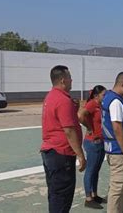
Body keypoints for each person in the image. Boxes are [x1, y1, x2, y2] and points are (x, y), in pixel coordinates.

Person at [40, 65, 86, 213]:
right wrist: (80, 154)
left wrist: (74, 109)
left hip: (51, 152)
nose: (71, 80)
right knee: (62, 197)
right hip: (61, 154)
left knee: (55, 194)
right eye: (69, 77)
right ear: (62, 80)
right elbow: (69, 130)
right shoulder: (63, 100)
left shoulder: (51, 96)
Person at [101, 72, 123, 213]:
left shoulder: (112, 97)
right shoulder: (116, 102)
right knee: (118, 188)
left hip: (117, 151)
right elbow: (117, 127)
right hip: (119, 152)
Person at [78, 85, 107, 209]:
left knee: (96, 169)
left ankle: (94, 195)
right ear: (96, 96)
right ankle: (88, 198)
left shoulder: (99, 105)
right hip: (92, 142)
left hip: (100, 141)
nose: (105, 97)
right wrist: (89, 128)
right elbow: (80, 115)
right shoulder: (92, 104)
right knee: (90, 170)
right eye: (103, 95)